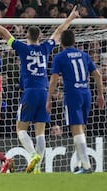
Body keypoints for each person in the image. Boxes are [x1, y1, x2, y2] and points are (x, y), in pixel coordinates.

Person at [0, 7, 79, 173]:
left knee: (21, 129)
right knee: (40, 133)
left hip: (30, 91)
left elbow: (3, 32)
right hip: (44, 93)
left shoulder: (22, 48)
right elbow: (59, 31)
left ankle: (33, 156)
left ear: (26, 37)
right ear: (40, 37)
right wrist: (71, 17)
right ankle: (37, 168)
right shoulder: (46, 48)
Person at [46, 29, 105, 174]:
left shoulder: (60, 57)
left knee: (76, 130)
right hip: (86, 93)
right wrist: (100, 95)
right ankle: (78, 165)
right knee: (81, 130)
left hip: (72, 94)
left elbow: (53, 80)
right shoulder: (84, 55)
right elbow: (97, 75)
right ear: (74, 41)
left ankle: (86, 166)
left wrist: (48, 99)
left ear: (60, 42)